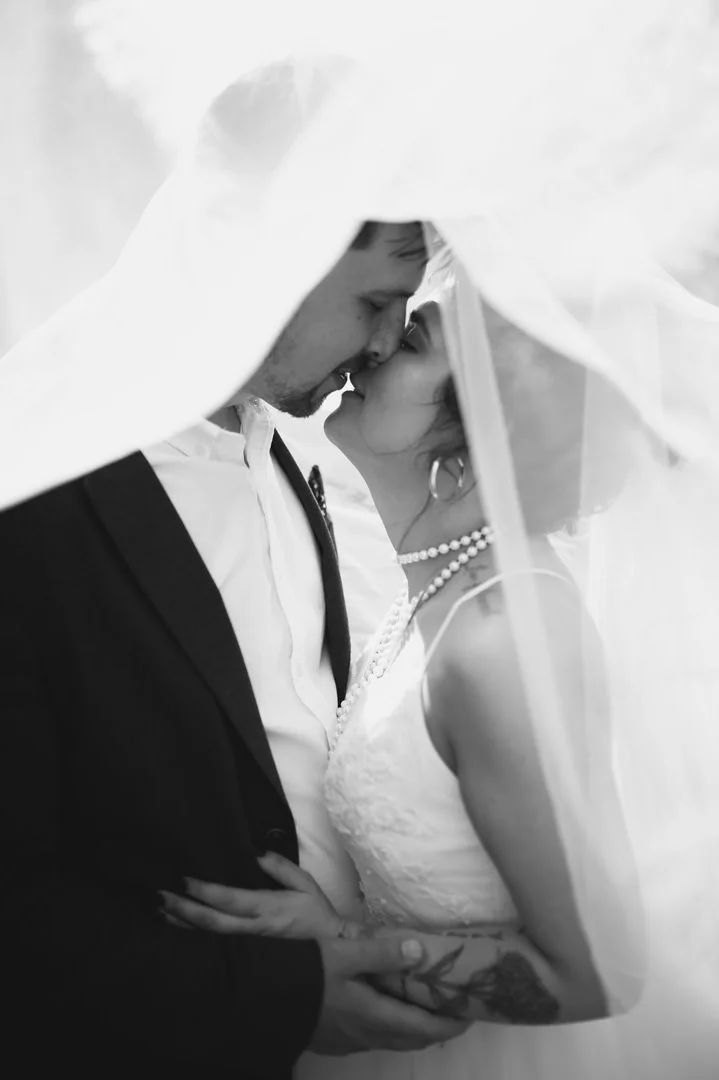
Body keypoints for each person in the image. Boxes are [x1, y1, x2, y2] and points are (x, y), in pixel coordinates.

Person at [0, 222, 474, 1079]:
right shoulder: (30, 481)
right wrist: (274, 995)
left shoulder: (291, 443)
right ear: (266, 248)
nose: (380, 343)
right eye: (373, 302)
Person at [158, 289, 650, 1078]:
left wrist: (347, 955)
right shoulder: (441, 593)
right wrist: (343, 931)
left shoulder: (501, 642)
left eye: (413, 341)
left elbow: (602, 971)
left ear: (476, 435)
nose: (376, 351)